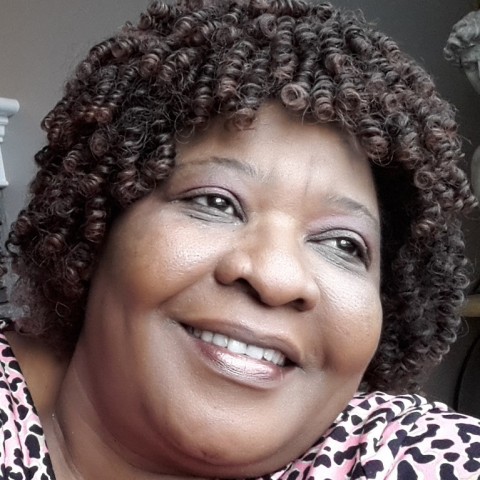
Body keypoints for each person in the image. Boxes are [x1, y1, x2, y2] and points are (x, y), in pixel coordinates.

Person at [1, 1, 480, 478]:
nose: (276, 277)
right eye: (216, 202)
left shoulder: (408, 455)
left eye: (343, 244)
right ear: (96, 228)